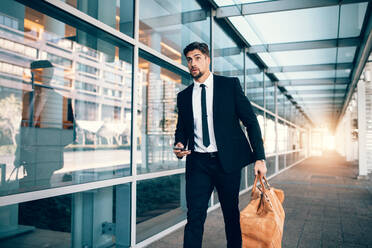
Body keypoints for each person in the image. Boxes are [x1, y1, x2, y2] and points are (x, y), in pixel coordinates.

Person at [173, 42, 267, 248]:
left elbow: (251, 121)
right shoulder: (184, 96)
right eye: (189, 59)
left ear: (207, 60)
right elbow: (182, 129)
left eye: (197, 58)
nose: (193, 63)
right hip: (198, 164)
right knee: (194, 218)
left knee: (231, 216)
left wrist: (259, 157)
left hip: (227, 163)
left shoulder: (229, 85)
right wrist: (179, 144)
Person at [14, 60, 75, 189]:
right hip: (27, 159)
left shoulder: (62, 101)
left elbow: (70, 135)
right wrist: (18, 154)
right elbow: (24, 128)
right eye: (32, 74)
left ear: (48, 76)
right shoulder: (28, 97)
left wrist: (39, 144)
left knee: (40, 193)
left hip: (47, 160)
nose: (32, 78)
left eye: (36, 75)